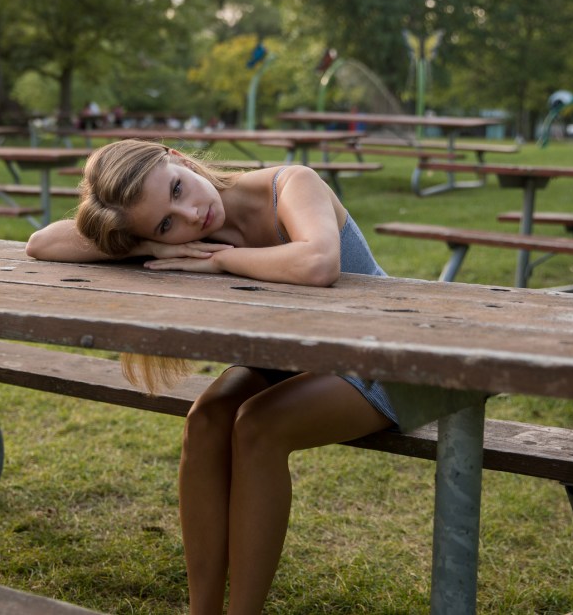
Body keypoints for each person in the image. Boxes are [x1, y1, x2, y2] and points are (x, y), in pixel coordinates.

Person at [25, 139, 398, 615]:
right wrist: (146, 241)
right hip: (295, 358)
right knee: (205, 419)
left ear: (177, 157)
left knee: (258, 426)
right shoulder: (179, 229)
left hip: (388, 357)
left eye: (178, 190)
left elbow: (317, 263)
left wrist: (218, 259)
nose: (190, 216)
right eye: (167, 221)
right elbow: (43, 242)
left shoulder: (292, 184)